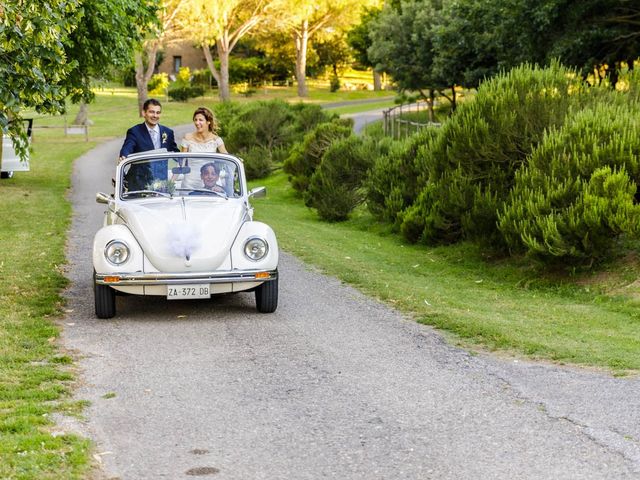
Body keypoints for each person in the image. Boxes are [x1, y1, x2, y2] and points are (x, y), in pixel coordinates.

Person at [119, 99, 179, 190]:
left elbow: (176, 154)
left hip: (161, 182)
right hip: (139, 182)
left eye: (158, 113)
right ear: (144, 113)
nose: (155, 115)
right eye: (152, 112)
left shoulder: (168, 132)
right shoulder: (135, 131)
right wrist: (124, 155)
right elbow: (127, 147)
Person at [177, 107, 228, 190]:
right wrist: (170, 183)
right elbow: (180, 164)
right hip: (190, 183)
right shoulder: (187, 138)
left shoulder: (216, 140)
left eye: (200, 120)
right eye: (195, 120)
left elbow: (227, 159)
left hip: (211, 182)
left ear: (208, 121)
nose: (197, 123)